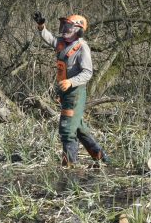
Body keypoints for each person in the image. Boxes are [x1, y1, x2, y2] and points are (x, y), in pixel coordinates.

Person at [34, 12, 110, 167]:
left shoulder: (82, 48)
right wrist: (41, 27)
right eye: (64, 26)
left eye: (68, 26)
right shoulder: (62, 42)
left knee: (67, 129)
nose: (65, 29)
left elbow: (88, 73)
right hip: (66, 92)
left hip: (75, 93)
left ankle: (70, 166)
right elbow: (50, 39)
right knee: (79, 129)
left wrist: (70, 82)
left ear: (78, 30)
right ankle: (102, 159)